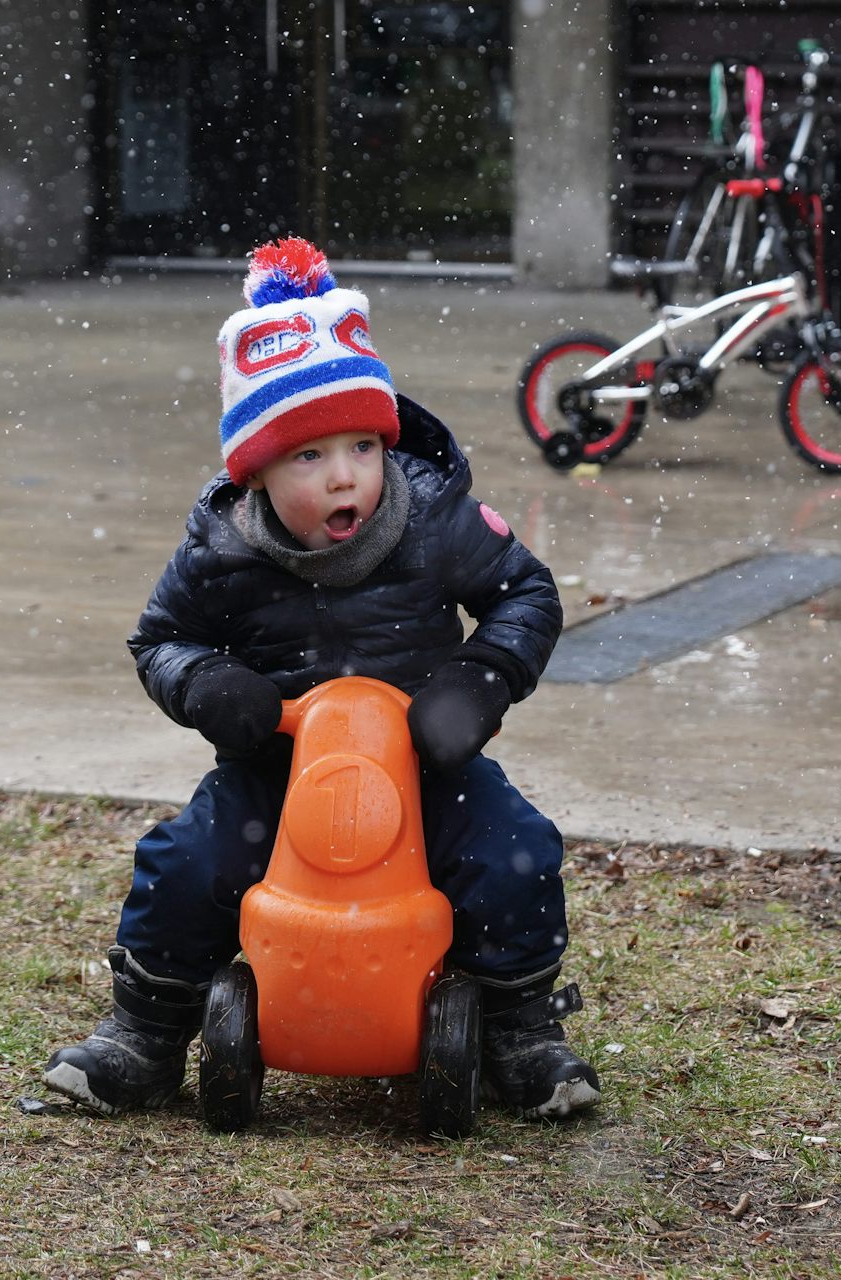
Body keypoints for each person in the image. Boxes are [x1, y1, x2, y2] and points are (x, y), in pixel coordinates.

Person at [42, 237, 599, 1121]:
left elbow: (523, 592)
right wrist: (213, 687)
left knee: (511, 852)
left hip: (425, 762)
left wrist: (479, 678)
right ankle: (143, 1035)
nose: (345, 475)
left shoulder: (435, 519)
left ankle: (520, 1031)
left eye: (361, 446)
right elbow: (160, 640)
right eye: (308, 457)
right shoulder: (221, 547)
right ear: (255, 469)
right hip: (279, 765)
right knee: (188, 861)